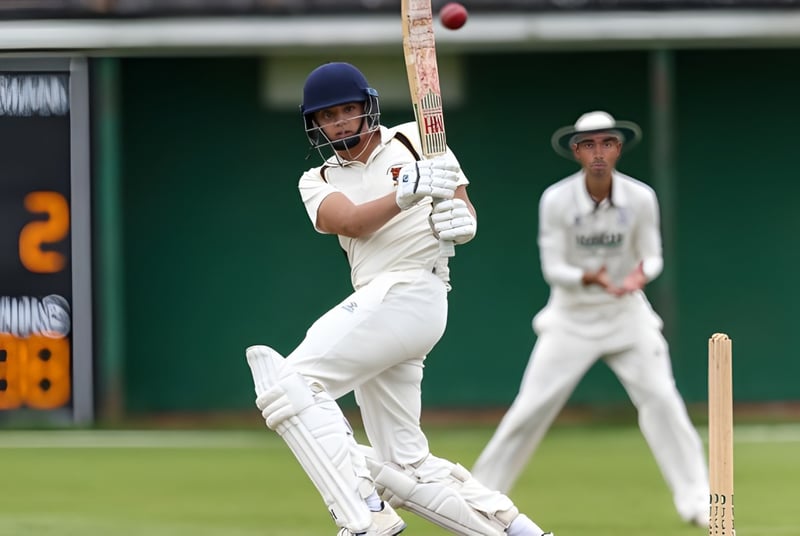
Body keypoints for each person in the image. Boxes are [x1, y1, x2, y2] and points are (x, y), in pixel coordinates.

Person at [245, 61, 554, 536]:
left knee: (292, 382)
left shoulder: (416, 139)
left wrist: (463, 223)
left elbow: (461, 205)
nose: (341, 122)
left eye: (349, 110)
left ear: (367, 107)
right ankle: (515, 529)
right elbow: (349, 222)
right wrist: (404, 193)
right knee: (405, 464)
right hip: (380, 303)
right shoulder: (318, 179)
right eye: (328, 116)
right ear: (315, 125)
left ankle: (363, 513)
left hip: (415, 289)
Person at [471, 110, 710, 527]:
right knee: (529, 410)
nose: (599, 153)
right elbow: (553, 267)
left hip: (627, 316)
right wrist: (589, 277)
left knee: (662, 400)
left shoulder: (641, 197)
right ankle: (476, 499)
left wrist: (640, 274)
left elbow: (652, 254)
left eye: (607, 143)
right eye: (589, 145)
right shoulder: (556, 199)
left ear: (618, 148)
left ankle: (697, 501)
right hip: (570, 319)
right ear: (576, 151)